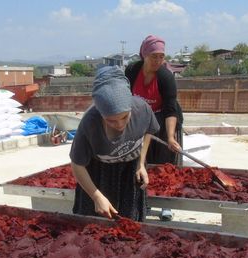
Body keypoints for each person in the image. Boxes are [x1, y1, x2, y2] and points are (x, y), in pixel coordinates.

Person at [70, 66, 160, 221]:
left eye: (125, 117)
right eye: (111, 120)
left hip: (129, 172)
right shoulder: (89, 123)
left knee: (129, 224)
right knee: (94, 227)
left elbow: (149, 130)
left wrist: (141, 163)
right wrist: (96, 196)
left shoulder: (142, 109)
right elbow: (77, 164)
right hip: (99, 175)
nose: (119, 124)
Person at [125, 34, 184, 221]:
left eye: (161, 56)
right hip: (139, 120)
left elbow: (170, 108)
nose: (158, 60)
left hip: (164, 120)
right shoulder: (132, 71)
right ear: (144, 55)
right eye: (154, 56)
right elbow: (125, 99)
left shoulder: (166, 77)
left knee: (165, 165)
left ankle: (166, 205)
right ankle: (145, 201)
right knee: (141, 162)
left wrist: (171, 137)